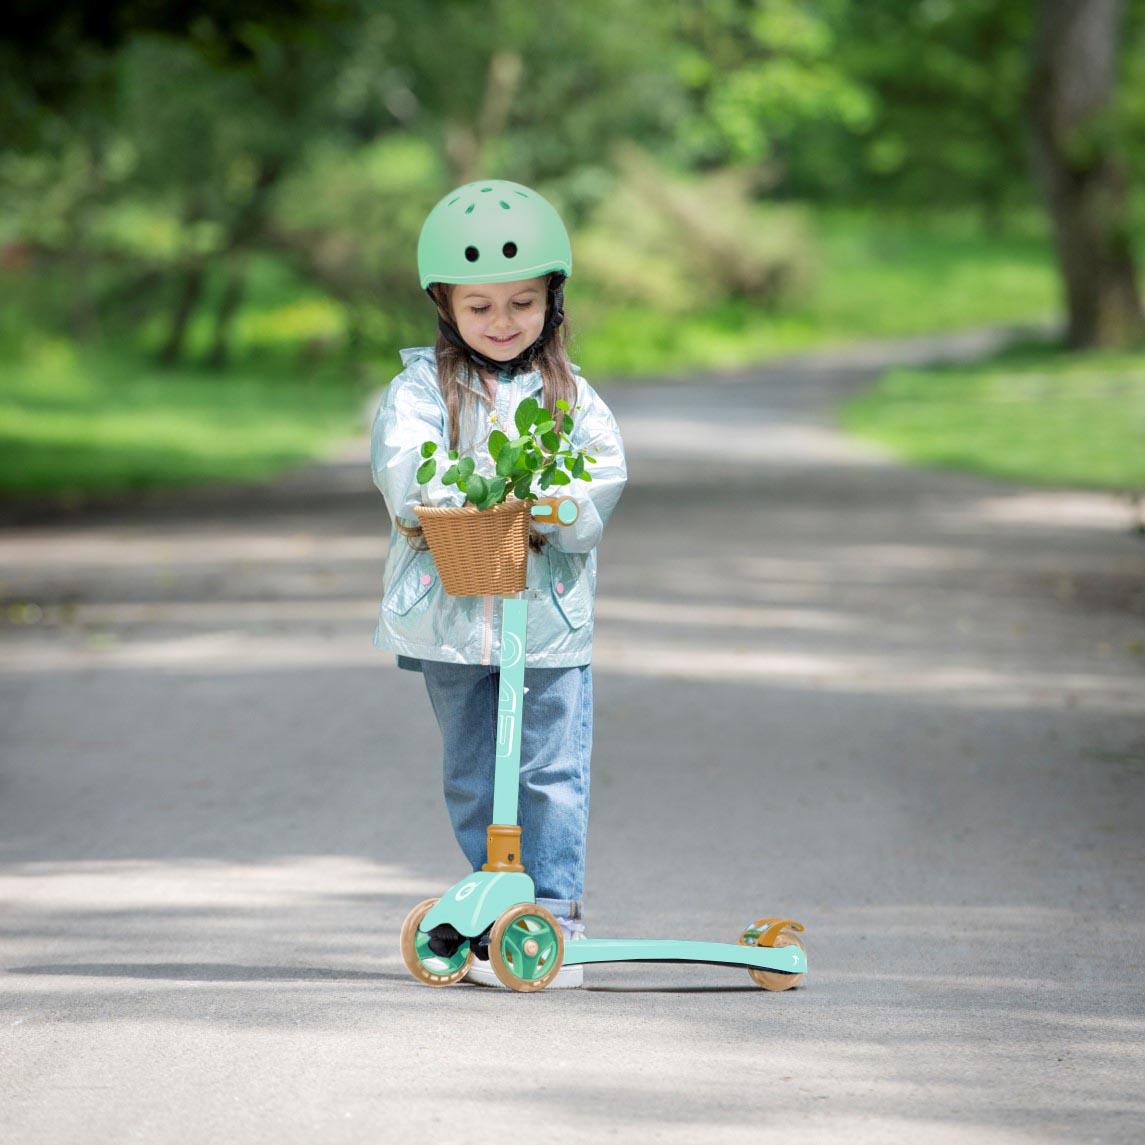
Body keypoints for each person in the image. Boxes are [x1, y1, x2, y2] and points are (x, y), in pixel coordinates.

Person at [370, 179, 628, 988]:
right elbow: (404, 461)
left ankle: (550, 912)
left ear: (552, 299)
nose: (502, 321)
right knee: (472, 767)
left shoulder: (572, 397)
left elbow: (600, 478)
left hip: (545, 625)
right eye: (480, 306)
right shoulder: (419, 390)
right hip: (452, 615)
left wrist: (559, 506)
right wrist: (445, 493)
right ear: (445, 306)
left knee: (550, 771)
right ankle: (492, 901)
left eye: (521, 302)